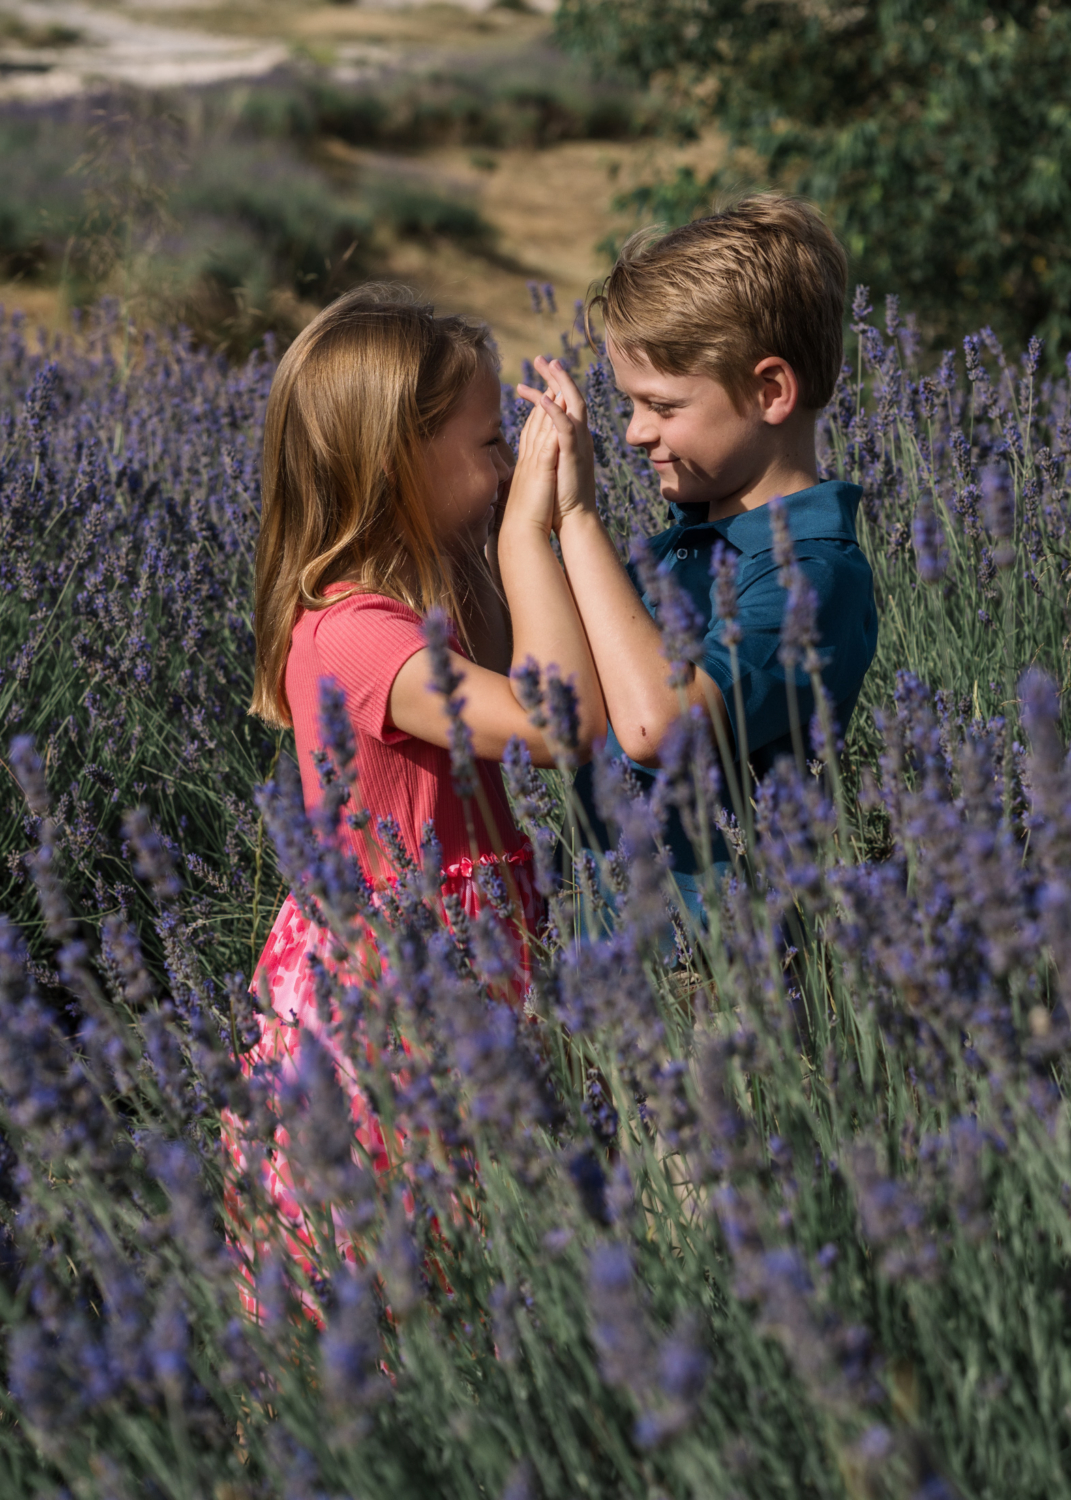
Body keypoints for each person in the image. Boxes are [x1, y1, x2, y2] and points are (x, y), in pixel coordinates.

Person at [225, 287, 603, 1295]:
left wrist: (524, 518)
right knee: (395, 1274)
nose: (505, 463)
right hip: (390, 994)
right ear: (401, 462)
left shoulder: (428, 595)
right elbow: (560, 719)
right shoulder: (358, 636)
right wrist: (538, 528)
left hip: (454, 965)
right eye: (489, 444)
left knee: (478, 1260)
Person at [517, 193, 878, 916]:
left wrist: (578, 521)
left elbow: (658, 727)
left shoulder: (811, 573)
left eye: (663, 406)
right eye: (627, 404)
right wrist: (518, 528)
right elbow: (543, 688)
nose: (631, 434)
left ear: (770, 390)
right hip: (607, 959)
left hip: (718, 980)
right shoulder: (676, 545)